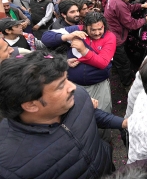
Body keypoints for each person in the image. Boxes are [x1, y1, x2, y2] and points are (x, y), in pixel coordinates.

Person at [0, 51, 129, 178]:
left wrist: (122, 123)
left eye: (67, 78)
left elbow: (89, 111)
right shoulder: (9, 166)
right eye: (61, 85)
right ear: (31, 105)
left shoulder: (77, 95)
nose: (73, 87)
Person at [104, 0, 147, 87]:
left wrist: (141, 6)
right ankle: (127, 83)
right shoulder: (118, 4)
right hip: (115, 38)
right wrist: (146, 19)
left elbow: (128, 7)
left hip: (113, 33)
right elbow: (131, 24)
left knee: (121, 60)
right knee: (123, 63)